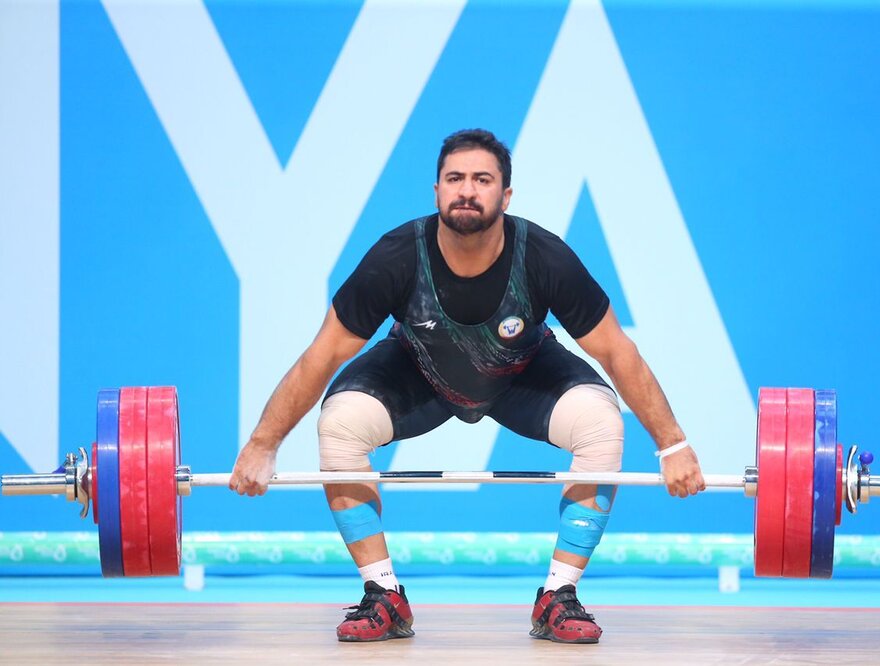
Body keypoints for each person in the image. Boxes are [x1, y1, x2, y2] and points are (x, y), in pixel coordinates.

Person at [228, 128, 706, 644]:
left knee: (600, 424)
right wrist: (262, 443)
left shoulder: (544, 257)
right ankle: (383, 595)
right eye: (454, 178)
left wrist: (672, 445)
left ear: (506, 194)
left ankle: (558, 598)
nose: (467, 190)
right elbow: (321, 355)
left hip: (523, 375)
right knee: (340, 423)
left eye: (482, 179)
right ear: (436, 191)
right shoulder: (396, 257)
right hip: (419, 372)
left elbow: (617, 350)